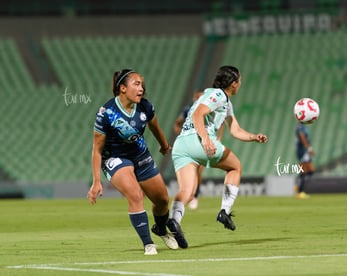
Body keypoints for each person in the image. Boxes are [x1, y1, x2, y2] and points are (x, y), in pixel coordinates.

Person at [168, 65, 268, 248]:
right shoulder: (219, 95)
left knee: (187, 191)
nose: (240, 84)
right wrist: (205, 139)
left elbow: (235, 130)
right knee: (235, 167)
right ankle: (225, 211)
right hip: (199, 142)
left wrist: (254, 136)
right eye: (239, 80)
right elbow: (199, 114)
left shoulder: (223, 101)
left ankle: (174, 220)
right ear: (233, 83)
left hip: (181, 145)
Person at [87, 69, 178, 255]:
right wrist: (96, 181)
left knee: (162, 200)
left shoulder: (145, 106)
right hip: (115, 157)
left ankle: (160, 229)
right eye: (136, 84)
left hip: (140, 154)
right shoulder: (106, 113)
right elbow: (96, 149)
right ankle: (148, 244)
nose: (141, 88)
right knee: (136, 195)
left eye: (142, 85)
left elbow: (155, 127)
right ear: (122, 88)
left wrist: (164, 145)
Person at [173, 89, 204, 210]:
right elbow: (177, 123)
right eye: (196, 97)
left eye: (200, 97)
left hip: (201, 143)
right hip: (188, 143)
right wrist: (180, 133)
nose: (197, 99)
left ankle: (195, 196)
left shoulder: (206, 108)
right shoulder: (188, 109)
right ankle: (189, 194)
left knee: (199, 171)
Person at [295, 123, 315, 199]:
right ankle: (300, 192)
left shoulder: (304, 126)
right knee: (304, 171)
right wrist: (309, 149)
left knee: (311, 170)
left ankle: (299, 188)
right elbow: (302, 137)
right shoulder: (300, 127)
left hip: (305, 151)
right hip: (302, 151)